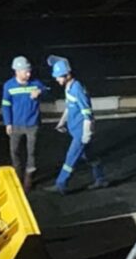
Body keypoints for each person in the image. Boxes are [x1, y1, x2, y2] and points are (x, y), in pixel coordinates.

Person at [43, 55, 108, 194]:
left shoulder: (77, 89)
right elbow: (69, 107)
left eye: (59, 76)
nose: (56, 79)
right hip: (75, 130)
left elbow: (87, 114)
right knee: (90, 157)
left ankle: (61, 184)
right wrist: (62, 122)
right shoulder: (68, 87)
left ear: (67, 75)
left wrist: (86, 134)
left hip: (80, 133)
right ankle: (101, 179)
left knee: (70, 158)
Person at [1, 56, 48, 191]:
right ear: (17, 71)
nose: (29, 74)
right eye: (25, 71)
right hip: (16, 125)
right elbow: (5, 105)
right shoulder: (8, 86)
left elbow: (47, 91)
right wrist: (8, 123)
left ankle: (29, 177)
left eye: (29, 71)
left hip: (33, 124)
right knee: (14, 151)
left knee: (31, 152)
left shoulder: (36, 83)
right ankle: (18, 174)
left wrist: (40, 92)